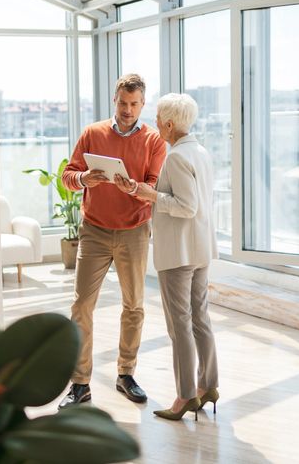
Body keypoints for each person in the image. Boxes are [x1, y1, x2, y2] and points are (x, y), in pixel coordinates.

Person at [58, 73, 167, 409]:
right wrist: (84, 178)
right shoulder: (93, 133)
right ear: (115, 100)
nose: (127, 110)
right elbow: (67, 176)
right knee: (81, 306)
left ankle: (125, 373)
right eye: (123, 103)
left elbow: (155, 189)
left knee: (133, 305)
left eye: (134, 104)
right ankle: (80, 384)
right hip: (94, 231)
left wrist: (133, 188)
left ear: (142, 104)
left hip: (134, 231)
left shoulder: (153, 140)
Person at [115, 92, 219, 421]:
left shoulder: (175, 157)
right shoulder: (200, 152)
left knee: (180, 327)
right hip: (200, 249)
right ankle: (208, 387)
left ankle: (185, 396)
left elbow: (186, 206)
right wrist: (149, 192)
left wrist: (152, 195)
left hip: (179, 254)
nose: (155, 123)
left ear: (170, 124)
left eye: (159, 118)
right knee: (200, 319)